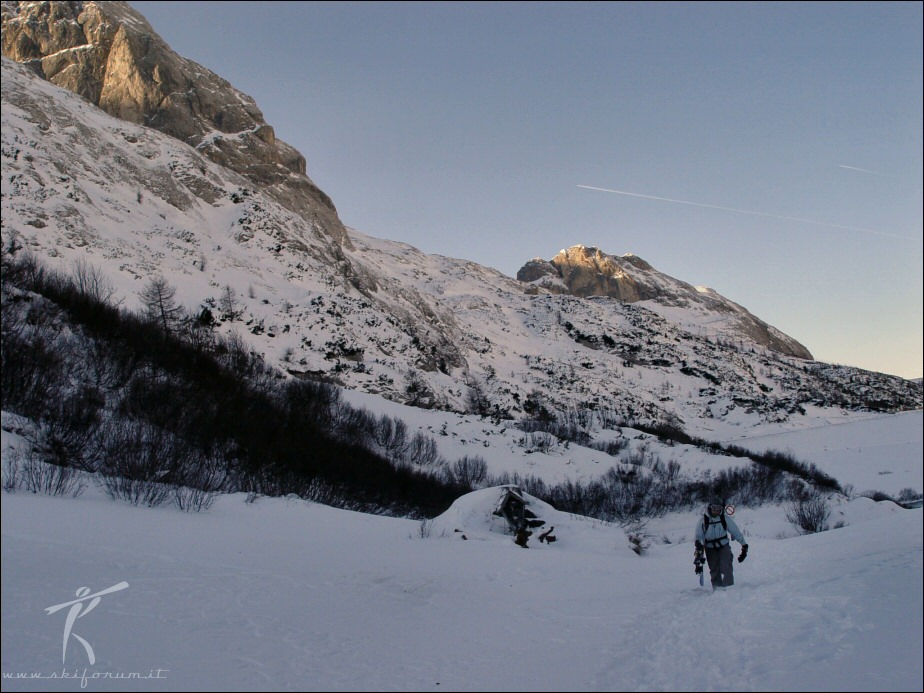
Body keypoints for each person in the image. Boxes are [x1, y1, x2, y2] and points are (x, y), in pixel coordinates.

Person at [694, 500, 748, 590]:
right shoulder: (703, 520)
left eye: (719, 509)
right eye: (714, 508)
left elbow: (735, 531)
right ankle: (717, 589)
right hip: (710, 547)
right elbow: (698, 535)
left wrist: (744, 545)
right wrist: (698, 545)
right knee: (714, 569)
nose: (716, 511)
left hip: (723, 545)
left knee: (727, 566)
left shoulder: (724, 518)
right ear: (710, 508)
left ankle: (729, 588)